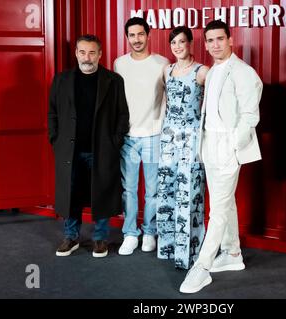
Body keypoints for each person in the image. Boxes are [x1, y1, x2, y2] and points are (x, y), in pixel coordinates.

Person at [179, 20, 263, 293]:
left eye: (219, 39)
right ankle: (233, 254)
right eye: (210, 40)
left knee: (217, 210)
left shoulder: (244, 72)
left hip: (228, 145)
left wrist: (233, 146)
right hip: (209, 144)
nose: (215, 44)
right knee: (223, 202)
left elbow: (250, 116)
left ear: (230, 40)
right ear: (205, 44)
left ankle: (201, 267)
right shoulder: (213, 71)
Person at [48, 34, 129, 258]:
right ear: (76, 53)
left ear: (100, 54)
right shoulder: (61, 80)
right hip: (70, 150)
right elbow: (52, 113)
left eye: (92, 52)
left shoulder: (113, 81)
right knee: (71, 193)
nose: (87, 57)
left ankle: (100, 239)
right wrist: (55, 139)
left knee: (100, 193)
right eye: (82, 52)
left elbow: (123, 115)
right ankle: (71, 237)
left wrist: (115, 142)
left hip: (101, 149)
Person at [114, 17, 169, 255]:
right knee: (128, 189)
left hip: (153, 135)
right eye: (131, 35)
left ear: (148, 35)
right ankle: (130, 233)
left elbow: (168, 97)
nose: (136, 39)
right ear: (127, 37)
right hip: (128, 136)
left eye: (140, 34)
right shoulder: (119, 64)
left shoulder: (162, 63)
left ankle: (149, 232)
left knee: (153, 190)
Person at [156, 26, 209, 270]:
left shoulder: (202, 72)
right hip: (169, 137)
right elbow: (167, 104)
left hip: (191, 137)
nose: (177, 46)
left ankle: (189, 253)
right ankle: (168, 249)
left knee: (189, 192)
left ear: (190, 45)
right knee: (166, 191)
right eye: (173, 43)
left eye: (182, 42)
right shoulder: (167, 71)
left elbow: (213, 104)